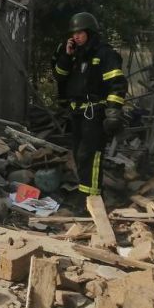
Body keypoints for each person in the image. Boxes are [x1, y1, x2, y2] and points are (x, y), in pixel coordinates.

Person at [52, 12, 127, 200]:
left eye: (80, 32)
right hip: (77, 111)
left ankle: (91, 199)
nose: (76, 36)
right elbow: (60, 76)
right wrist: (66, 57)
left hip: (95, 111)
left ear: (90, 32)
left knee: (90, 155)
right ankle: (84, 194)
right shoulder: (75, 55)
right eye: (74, 33)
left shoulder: (105, 54)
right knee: (79, 154)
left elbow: (117, 83)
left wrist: (112, 112)